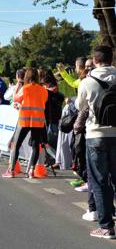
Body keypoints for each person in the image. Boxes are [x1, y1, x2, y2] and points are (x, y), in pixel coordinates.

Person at [75, 45, 116, 239]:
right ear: (111, 58)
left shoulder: (88, 81)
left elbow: (80, 106)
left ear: (95, 59)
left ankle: (106, 226)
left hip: (96, 135)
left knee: (100, 182)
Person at [2, 68, 48, 179]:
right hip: (38, 121)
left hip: (24, 120)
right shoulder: (43, 90)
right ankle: (32, 171)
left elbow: (16, 98)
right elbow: (43, 102)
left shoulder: (25, 88)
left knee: (16, 144)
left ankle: (11, 171)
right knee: (36, 146)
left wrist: (18, 85)